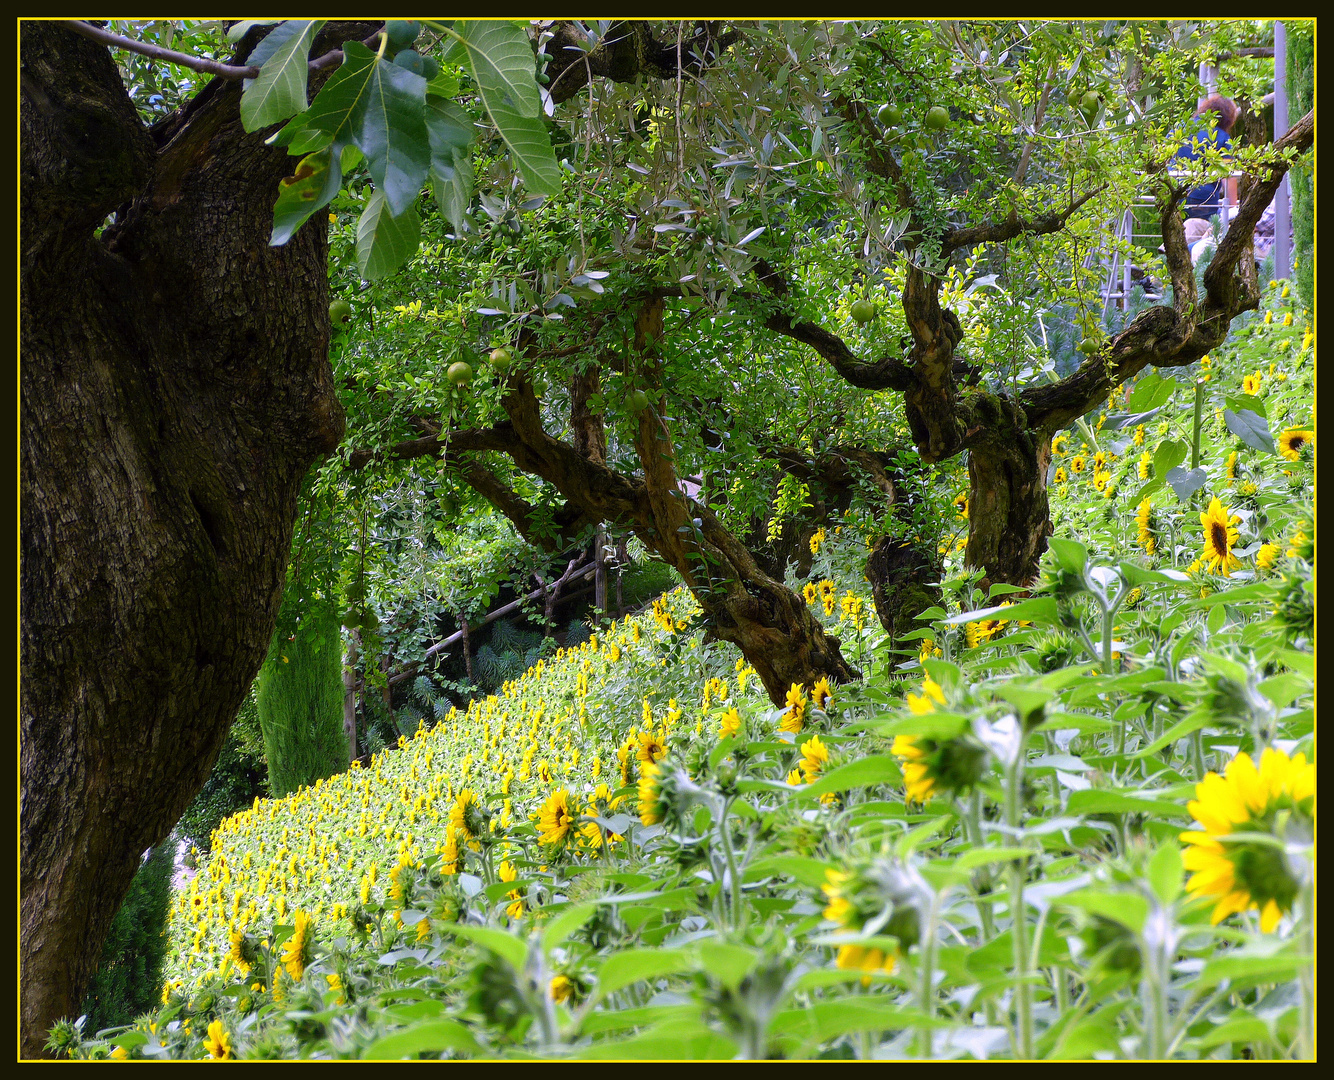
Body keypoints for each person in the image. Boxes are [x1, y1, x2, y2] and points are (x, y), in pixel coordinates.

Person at [1174, 95, 1240, 221]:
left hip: (1175, 196)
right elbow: (1229, 176)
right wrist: (1233, 210)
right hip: (1203, 200)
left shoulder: (1179, 128)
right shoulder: (1222, 137)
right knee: (1205, 233)